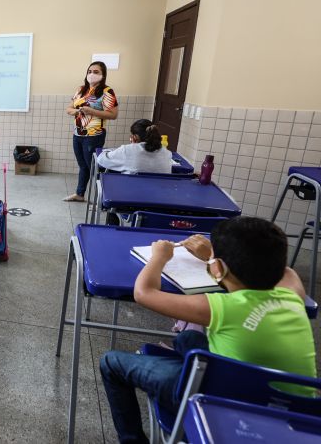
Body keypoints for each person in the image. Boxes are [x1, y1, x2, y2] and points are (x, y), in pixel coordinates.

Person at [100, 216, 316, 443]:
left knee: (111, 363)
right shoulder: (292, 295)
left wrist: (159, 257)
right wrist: (214, 258)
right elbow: (288, 272)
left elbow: (143, 292)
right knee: (187, 338)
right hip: (296, 412)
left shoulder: (221, 308)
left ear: (219, 268)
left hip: (223, 407)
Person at [63, 61, 118, 202]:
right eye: (89, 71)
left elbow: (113, 114)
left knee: (94, 167)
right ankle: (80, 194)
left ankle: (107, 198)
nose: (91, 74)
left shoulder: (107, 92)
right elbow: (69, 109)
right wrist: (76, 111)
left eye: (96, 72)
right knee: (83, 165)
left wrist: (91, 111)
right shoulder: (81, 90)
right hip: (78, 134)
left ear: (103, 75)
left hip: (94, 135)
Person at [96, 119, 172, 174]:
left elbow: (101, 159)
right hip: (159, 194)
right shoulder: (166, 152)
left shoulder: (127, 150)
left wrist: (107, 151)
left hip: (131, 193)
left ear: (135, 137)